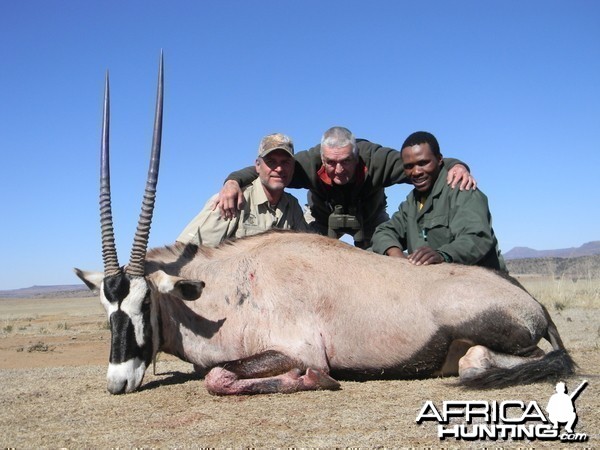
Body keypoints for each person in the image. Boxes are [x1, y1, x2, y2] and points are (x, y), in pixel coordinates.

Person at [217, 126, 476, 249]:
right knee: (309, 258)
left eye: (346, 162)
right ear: (322, 156)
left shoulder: (378, 160)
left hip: (370, 218)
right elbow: (266, 170)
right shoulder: (307, 163)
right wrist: (232, 181)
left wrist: (457, 165)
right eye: (330, 162)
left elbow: (422, 164)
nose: (338, 170)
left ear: (356, 156)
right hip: (322, 219)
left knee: (382, 262)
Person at [371, 131, 506, 271]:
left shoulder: (461, 190)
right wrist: (396, 255)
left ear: (439, 159)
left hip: (483, 280)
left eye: (423, 163)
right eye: (409, 166)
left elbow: (477, 238)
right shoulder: (412, 202)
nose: (416, 172)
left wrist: (443, 255)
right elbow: (384, 231)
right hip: (436, 282)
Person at [177, 133, 309, 246]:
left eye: (285, 162)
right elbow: (185, 251)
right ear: (257, 166)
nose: (279, 169)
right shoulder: (232, 199)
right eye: (271, 162)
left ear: (293, 167)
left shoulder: (292, 206)